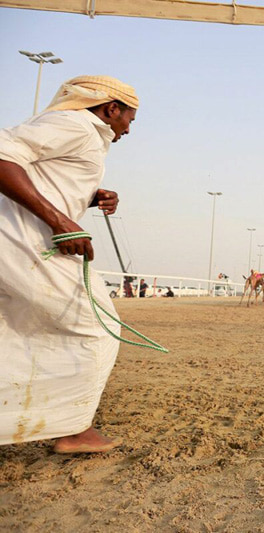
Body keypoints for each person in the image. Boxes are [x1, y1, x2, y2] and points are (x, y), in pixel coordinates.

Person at [0, 75, 138, 453]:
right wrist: (60, 220)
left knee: (13, 328)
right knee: (98, 325)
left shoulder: (87, 136)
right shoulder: (73, 124)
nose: (129, 128)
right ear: (112, 109)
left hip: (26, 241)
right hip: (25, 243)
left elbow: (46, 177)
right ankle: (74, 429)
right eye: (130, 118)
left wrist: (91, 197)